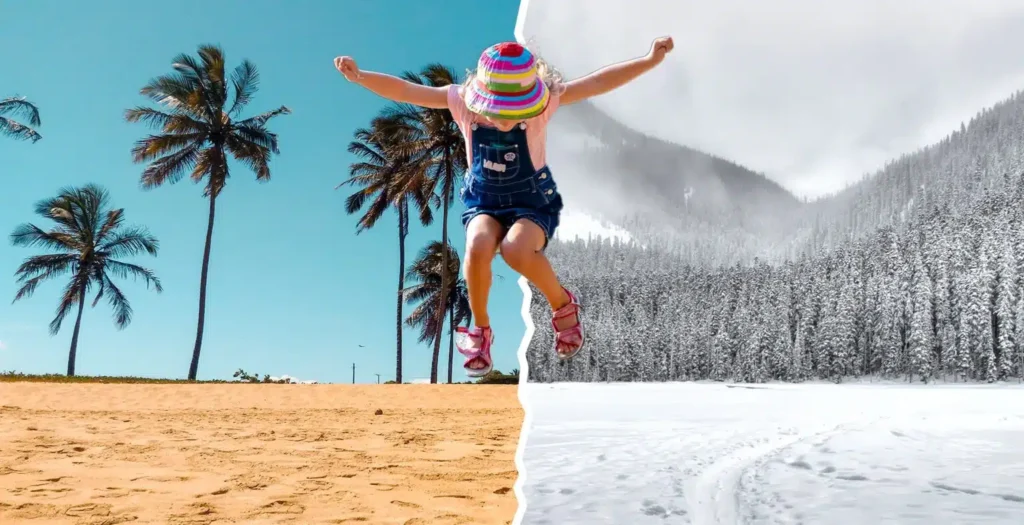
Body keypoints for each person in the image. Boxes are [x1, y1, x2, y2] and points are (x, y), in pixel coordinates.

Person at [335, 36, 674, 377]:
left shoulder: (548, 101)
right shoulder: (459, 101)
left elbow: (598, 82)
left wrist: (648, 60)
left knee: (515, 250)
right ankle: (480, 329)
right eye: (497, 112)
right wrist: (361, 76)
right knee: (478, 246)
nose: (504, 122)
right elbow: (406, 91)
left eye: (516, 113)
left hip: (531, 200)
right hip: (483, 200)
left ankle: (562, 304)